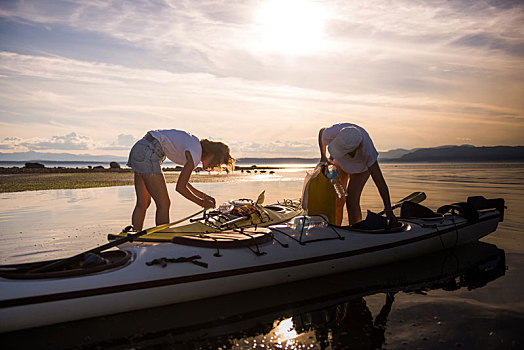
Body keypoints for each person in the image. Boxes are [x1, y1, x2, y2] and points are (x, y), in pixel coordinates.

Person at [127, 129, 234, 231]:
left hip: (141, 147)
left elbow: (184, 183)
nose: (214, 166)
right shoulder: (195, 153)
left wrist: (203, 196)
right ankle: (162, 239)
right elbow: (180, 187)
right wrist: (201, 203)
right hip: (149, 151)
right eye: (216, 162)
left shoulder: (194, 146)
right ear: (212, 153)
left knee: (143, 202)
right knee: (164, 203)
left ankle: (134, 235)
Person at [318, 123, 397, 226]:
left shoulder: (368, 151)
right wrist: (323, 156)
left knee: (351, 201)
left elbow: (380, 182)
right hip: (339, 164)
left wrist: (388, 209)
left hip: (361, 170)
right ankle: (336, 228)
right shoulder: (334, 132)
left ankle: (355, 228)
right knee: (336, 200)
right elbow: (321, 132)